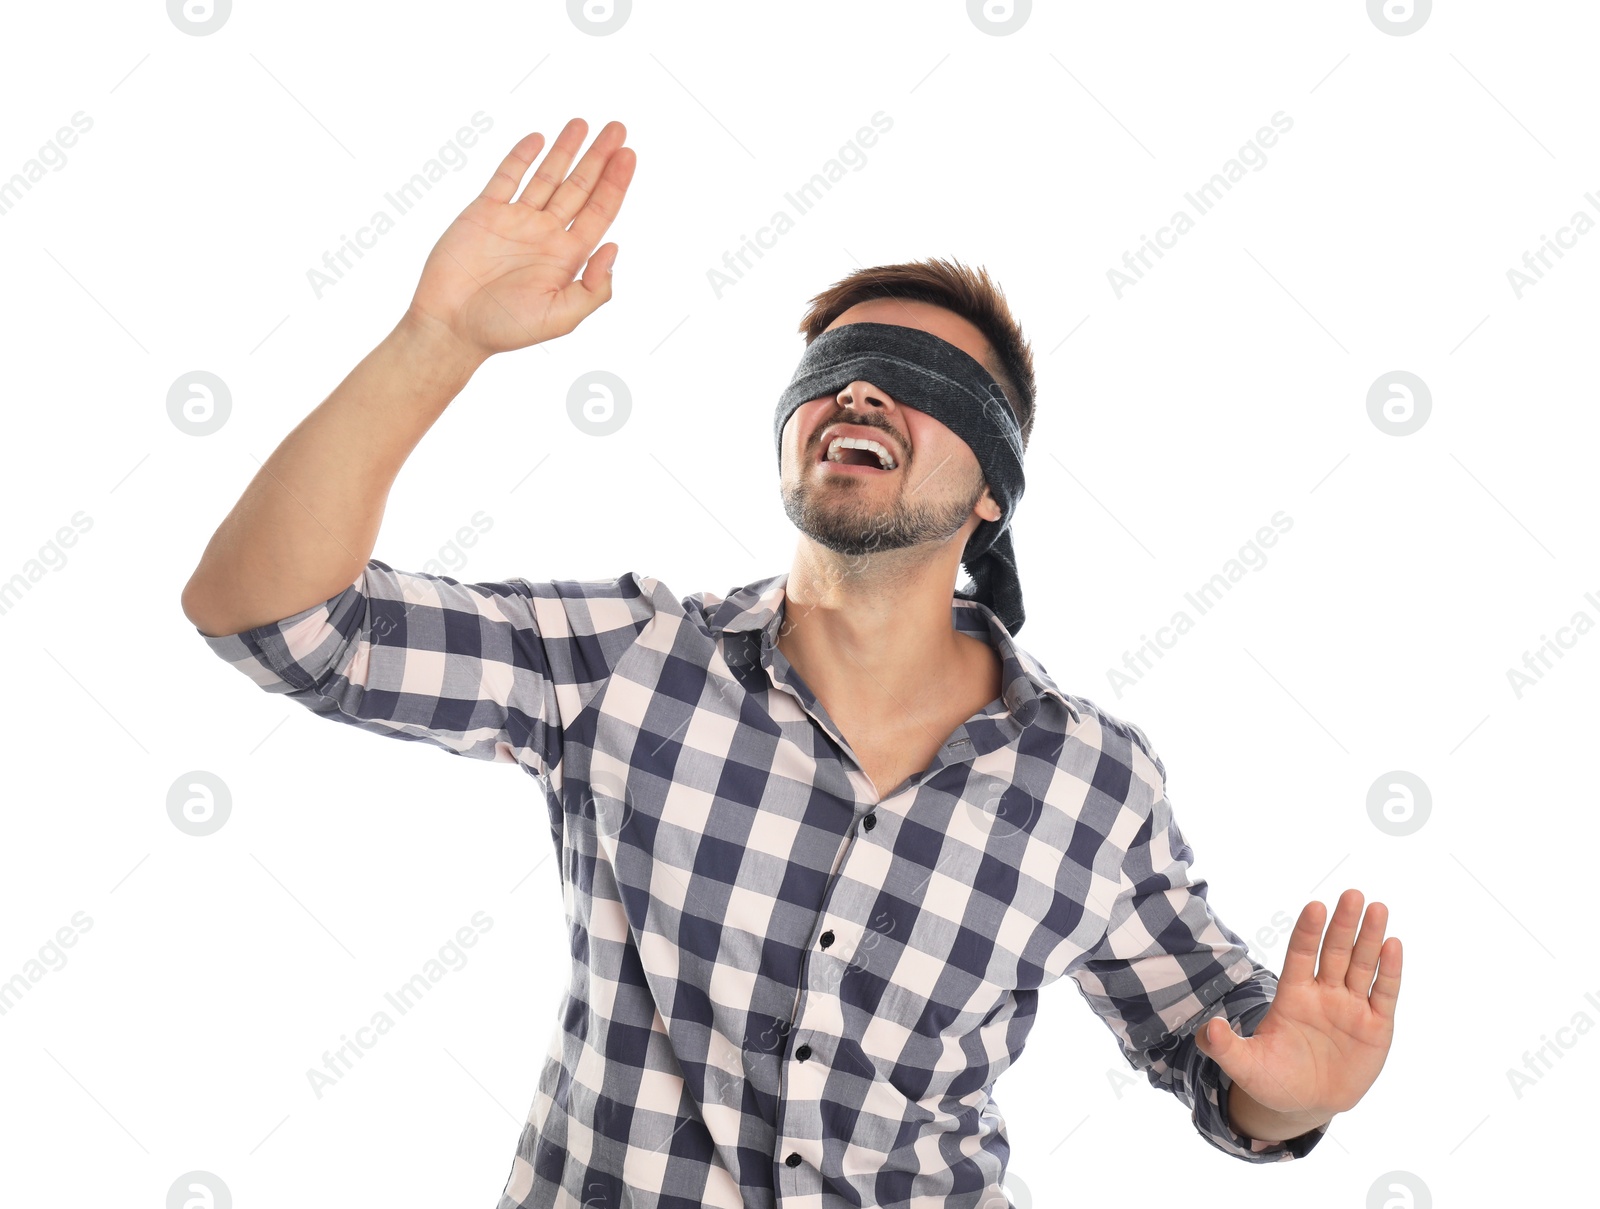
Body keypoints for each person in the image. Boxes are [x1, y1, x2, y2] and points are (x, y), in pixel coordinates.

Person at [182, 118, 1402, 1209]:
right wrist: (435, 338)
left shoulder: (1091, 782)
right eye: (836, 373)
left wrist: (1295, 1095)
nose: (862, 389)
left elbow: (1226, 1062)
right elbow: (276, 620)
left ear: (990, 496)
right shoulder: (624, 660)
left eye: (926, 386)